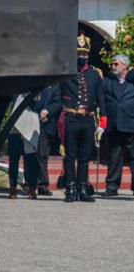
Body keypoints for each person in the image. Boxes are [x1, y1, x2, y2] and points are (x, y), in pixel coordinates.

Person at [41, 33, 105, 203]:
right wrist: (48, 109)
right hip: (70, 118)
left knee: (84, 157)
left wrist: (102, 123)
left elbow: (101, 99)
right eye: (78, 53)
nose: (81, 56)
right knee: (70, 156)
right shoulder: (66, 73)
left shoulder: (95, 74)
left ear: (88, 55)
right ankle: (70, 187)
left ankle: (82, 188)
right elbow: (56, 95)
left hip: (88, 119)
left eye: (84, 54)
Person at [100, 54, 134, 196]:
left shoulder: (132, 82)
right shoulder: (108, 82)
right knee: (114, 157)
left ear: (125, 66)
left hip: (131, 123)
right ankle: (112, 187)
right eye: (112, 64)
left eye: (116, 64)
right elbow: (102, 100)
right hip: (114, 125)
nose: (113, 66)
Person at [35, 86, 59, 196]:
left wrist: (47, 112)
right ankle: (29, 185)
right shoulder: (37, 83)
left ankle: (42, 185)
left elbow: (58, 103)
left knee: (42, 155)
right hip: (32, 122)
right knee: (29, 155)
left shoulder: (57, 86)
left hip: (47, 125)